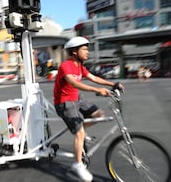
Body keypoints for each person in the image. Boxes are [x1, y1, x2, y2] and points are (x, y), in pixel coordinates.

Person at [53, 36, 124, 182]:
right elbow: (74, 83)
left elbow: (94, 78)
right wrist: (97, 90)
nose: (87, 52)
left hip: (77, 98)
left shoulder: (80, 67)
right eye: (84, 49)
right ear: (74, 52)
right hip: (64, 102)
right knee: (79, 133)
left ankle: (80, 130)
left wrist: (113, 85)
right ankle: (78, 164)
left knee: (99, 114)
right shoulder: (65, 66)